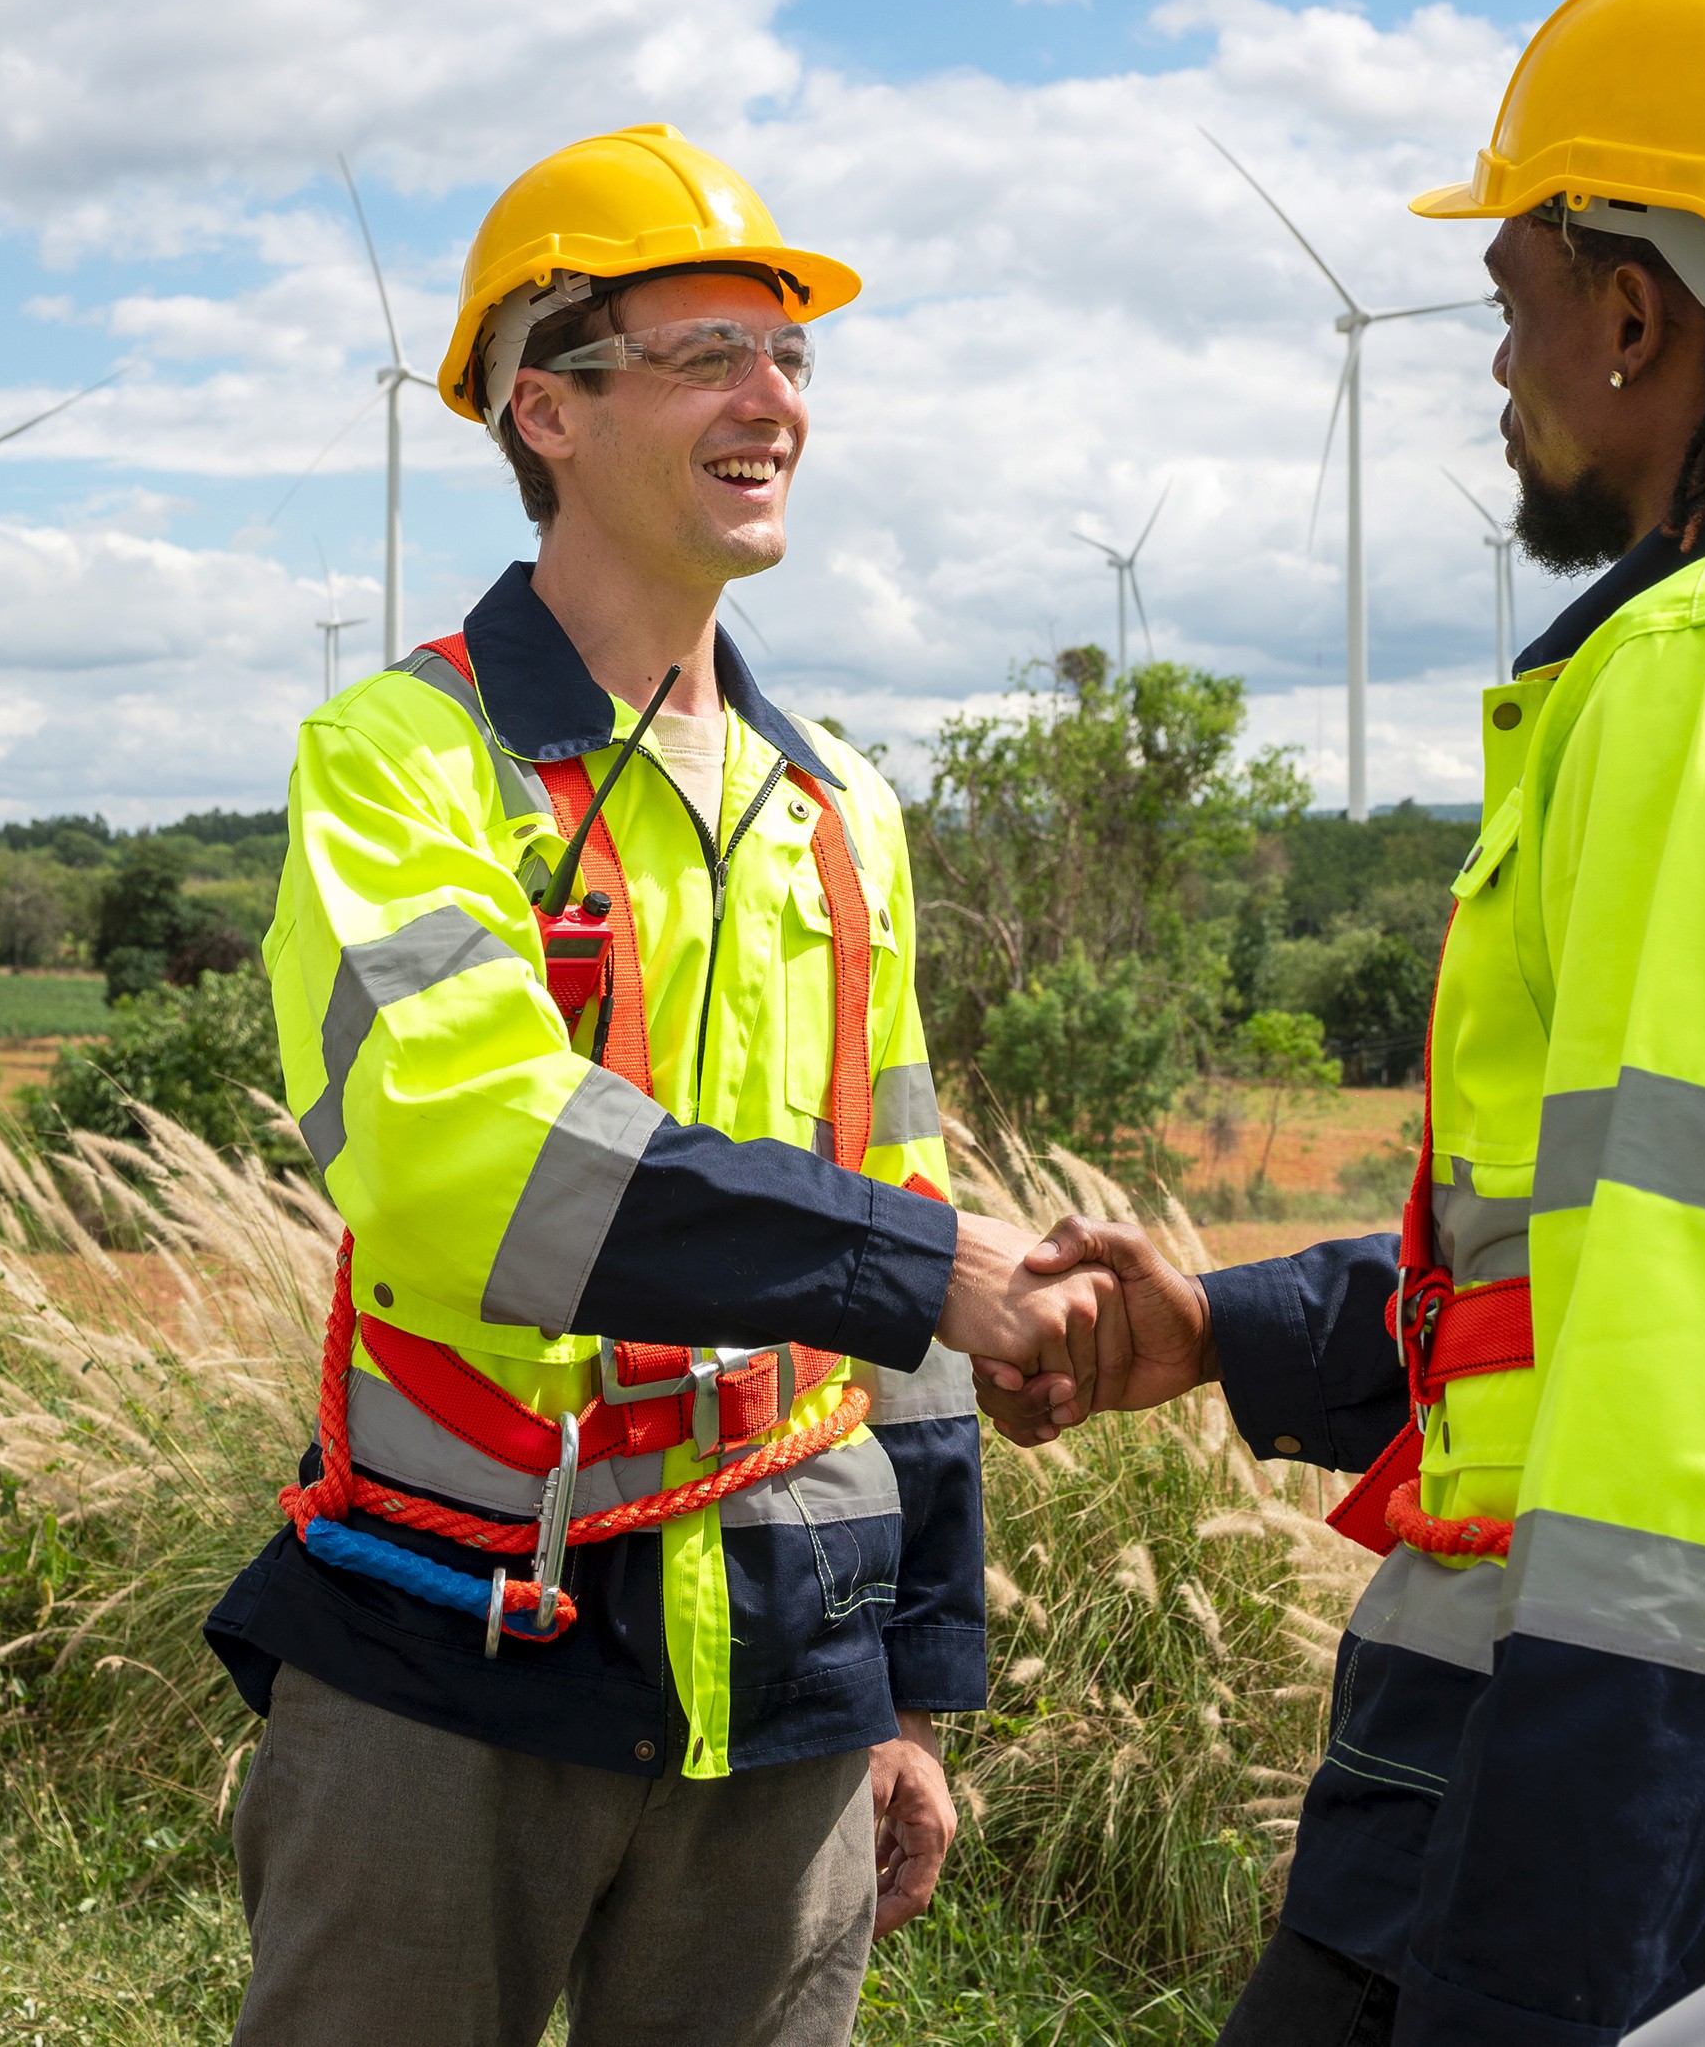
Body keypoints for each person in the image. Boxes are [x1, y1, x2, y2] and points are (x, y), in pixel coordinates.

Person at [984, 0, 1705, 2045]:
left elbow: (1691, 1431)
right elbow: (1655, 1261)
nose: (1491, 358)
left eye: (1506, 291)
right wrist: (1222, 1328)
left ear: (1632, 309)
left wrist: (1521, 1994)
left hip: (1647, 1835)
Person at [210, 122, 1113, 2047]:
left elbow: (909, 1218)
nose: (773, 399)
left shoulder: (841, 809)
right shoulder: (399, 764)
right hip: (445, 1651)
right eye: (708, 354)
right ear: (544, 408)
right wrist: (914, 1262)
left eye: (792, 358)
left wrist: (911, 1683)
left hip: (789, 1674)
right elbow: (480, 1159)